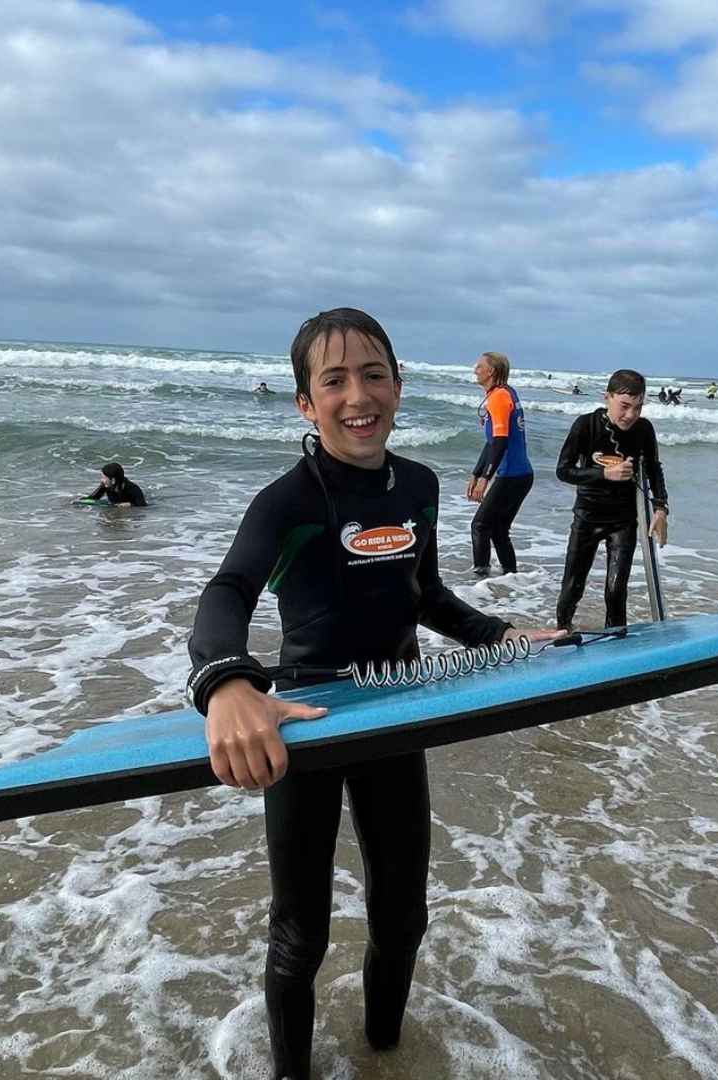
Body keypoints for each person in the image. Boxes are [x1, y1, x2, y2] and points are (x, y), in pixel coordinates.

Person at [185, 308, 556, 1079]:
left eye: (374, 373)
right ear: (305, 403)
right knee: (301, 933)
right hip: (308, 723)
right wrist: (226, 683)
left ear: (398, 384)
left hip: (395, 711)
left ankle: (385, 1050)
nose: (359, 394)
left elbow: (425, 594)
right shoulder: (286, 502)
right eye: (335, 380)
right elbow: (227, 593)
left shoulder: (417, 487)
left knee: (403, 915)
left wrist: (500, 636)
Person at [553, 369, 670, 630]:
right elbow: (563, 471)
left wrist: (661, 509)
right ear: (607, 397)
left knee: (616, 591)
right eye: (625, 406)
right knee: (572, 587)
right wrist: (605, 473)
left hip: (623, 520)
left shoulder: (643, 429)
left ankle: (616, 643)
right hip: (587, 516)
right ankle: (561, 634)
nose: (631, 415)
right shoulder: (586, 425)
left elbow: (654, 469)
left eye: (638, 407)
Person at [466, 351, 534, 577]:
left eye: (479, 366)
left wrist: (485, 479)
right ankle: (511, 577)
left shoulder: (499, 398)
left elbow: (501, 442)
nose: (475, 370)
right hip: (519, 474)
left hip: (512, 475)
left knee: (480, 526)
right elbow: (492, 443)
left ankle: (480, 579)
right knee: (498, 529)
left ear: (491, 371)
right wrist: (476, 473)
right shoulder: (505, 394)